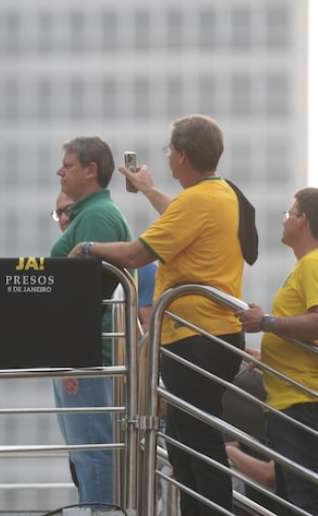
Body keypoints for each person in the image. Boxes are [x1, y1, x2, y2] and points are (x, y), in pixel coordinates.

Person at [69, 115, 249, 515]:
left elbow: (135, 254)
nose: (168, 159)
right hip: (208, 336)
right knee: (187, 444)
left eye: (170, 152)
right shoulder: (218, 195)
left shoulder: (198, 200)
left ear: (182, 156)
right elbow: (180, 217)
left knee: (198, 444)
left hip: (197, 338)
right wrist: (149, 190)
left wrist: (89, 248)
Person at [50, 136, 133, 505]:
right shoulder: (89, 215)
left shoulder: (98, 217)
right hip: (78, 349)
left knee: (92, 451)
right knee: (84, 453)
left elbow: (85, 293)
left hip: (84, 351)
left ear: (90, 170)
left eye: (67, 165)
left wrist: (71, 352)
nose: (60, 171)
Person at [236, 188, 318, 514]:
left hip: (301, 402)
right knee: (291, 499)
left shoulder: (313, 264)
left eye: (289, 212)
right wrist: (266, 358)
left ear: (303, 221)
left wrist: (266, 322)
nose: (284, 219)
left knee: (302, 501)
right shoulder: (305, 266)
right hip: (289, 401)